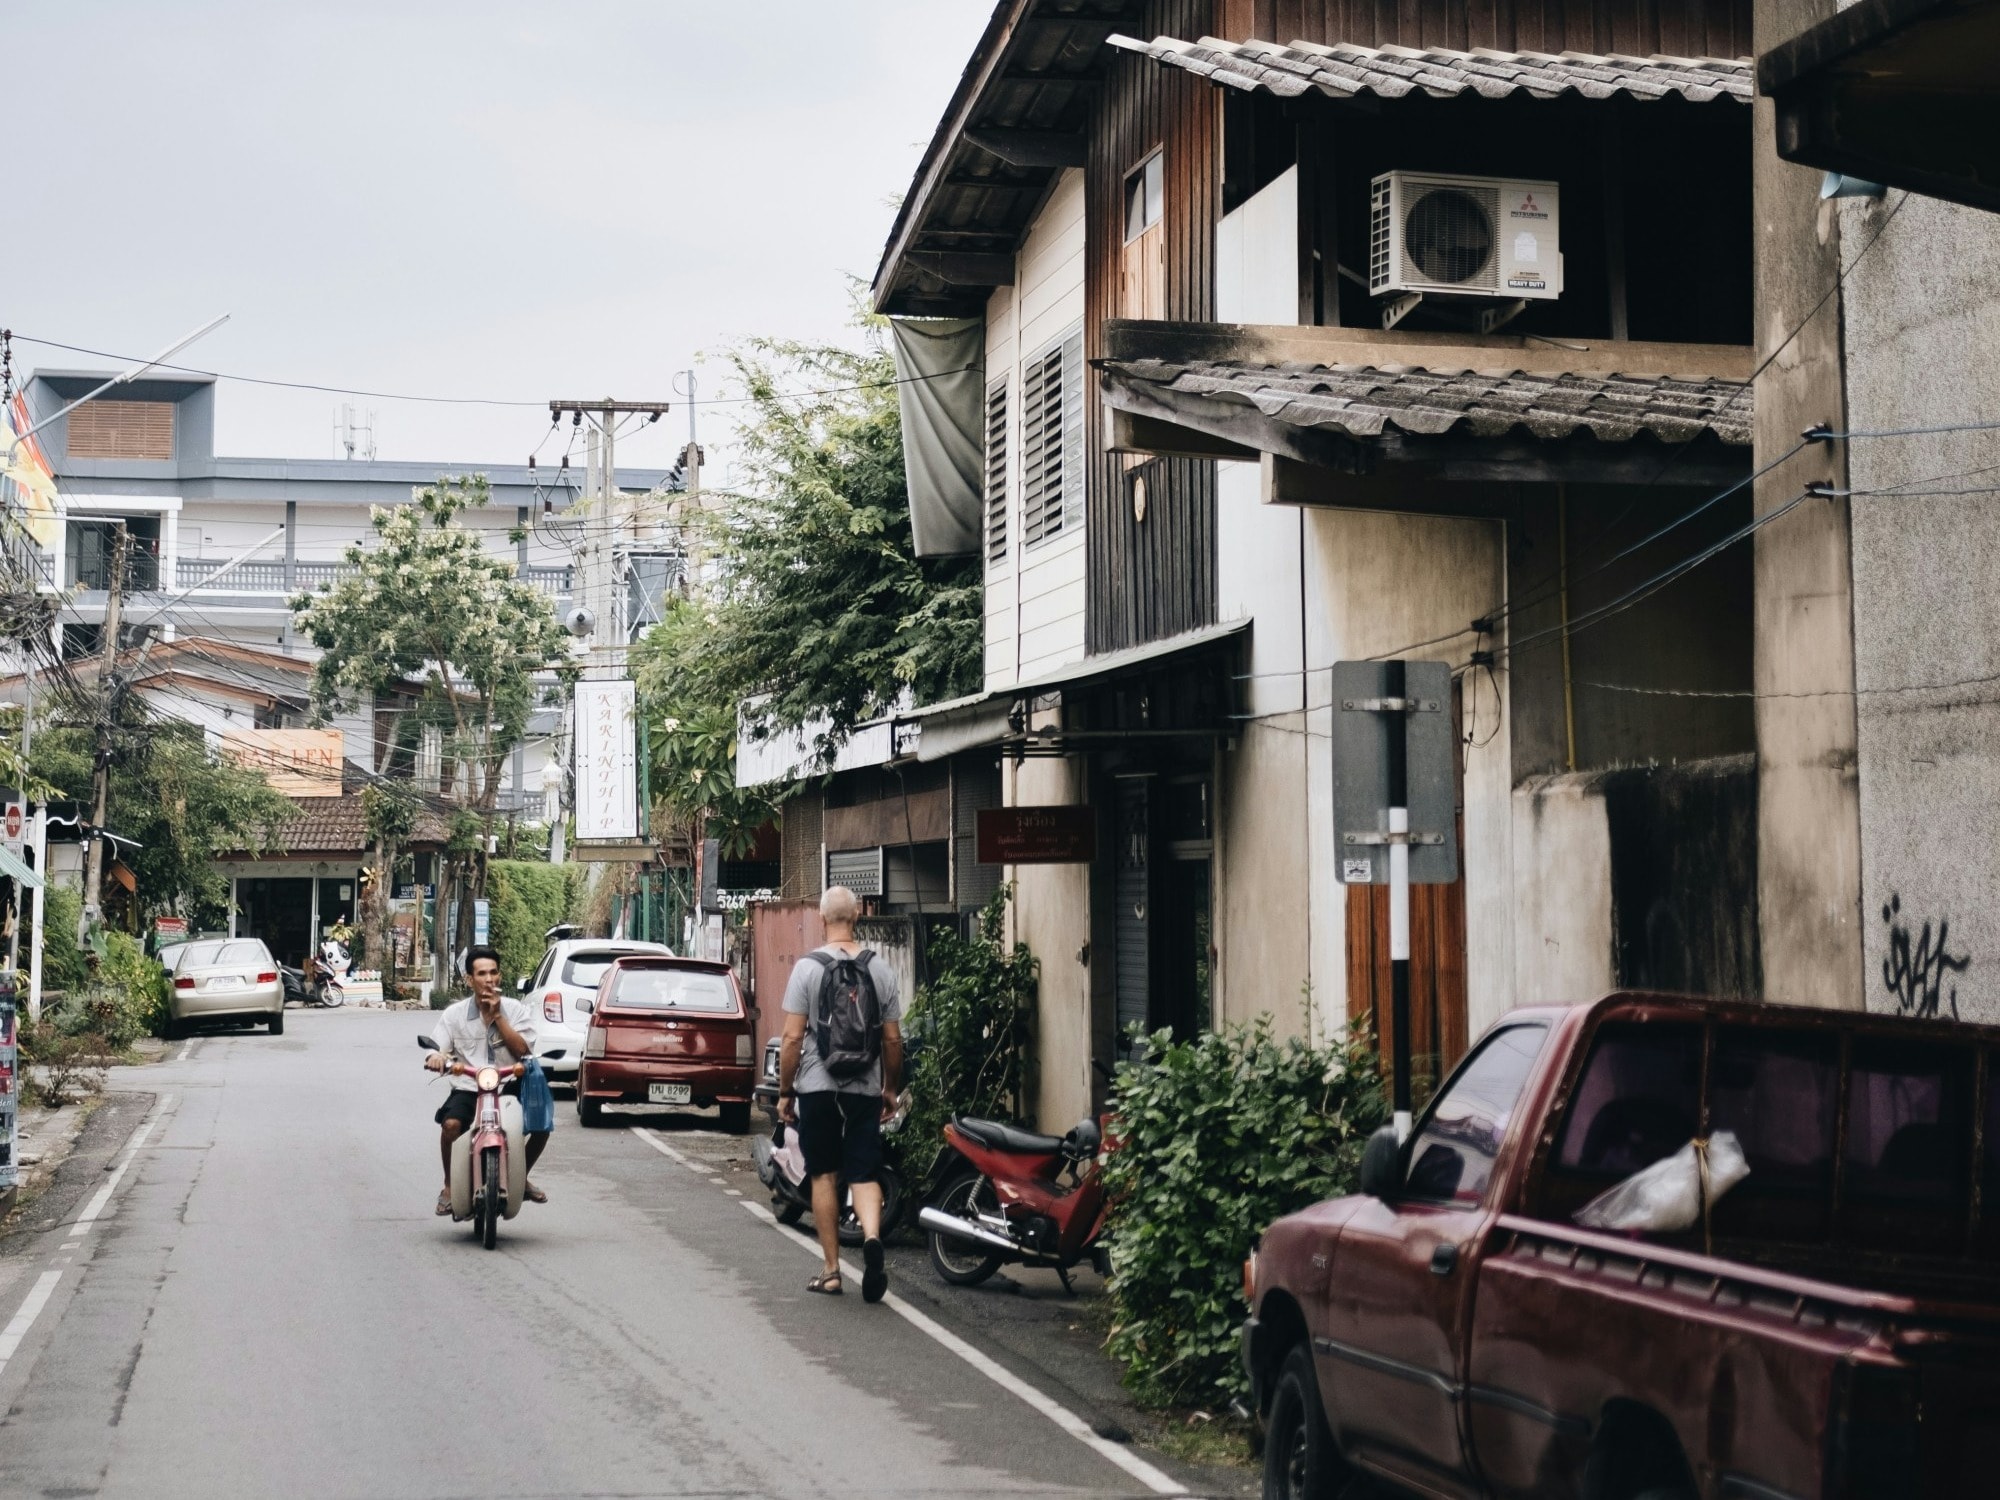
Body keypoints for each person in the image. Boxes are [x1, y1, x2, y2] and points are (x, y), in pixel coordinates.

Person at [777, 885, 903, 1302]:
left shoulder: (807, 969)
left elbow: (793, 1038)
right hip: (864, 1088)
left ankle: (832, 1271)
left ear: (821, 918)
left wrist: (786, 1091)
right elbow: (892, 1041)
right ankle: (870, 1235)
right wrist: (889, 1089)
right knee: (864, 1172)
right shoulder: (880, 969)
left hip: (817, 1086)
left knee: (824, 1174)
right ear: (858, 917)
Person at [425, 945, 550, 1215]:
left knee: (541, 1125)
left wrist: (497, 1017)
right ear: (470, 979)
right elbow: (437, 1046)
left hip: (507, 1085)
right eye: (481, 973)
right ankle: (448, 1186)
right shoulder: (454, 1014)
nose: (489, 979)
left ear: (500, 976)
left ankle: (520, 1176)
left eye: (493, 973)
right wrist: (436, 1057)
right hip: (470, 1086)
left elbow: (523, 1051)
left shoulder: (515, 1010)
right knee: (450, 1125)